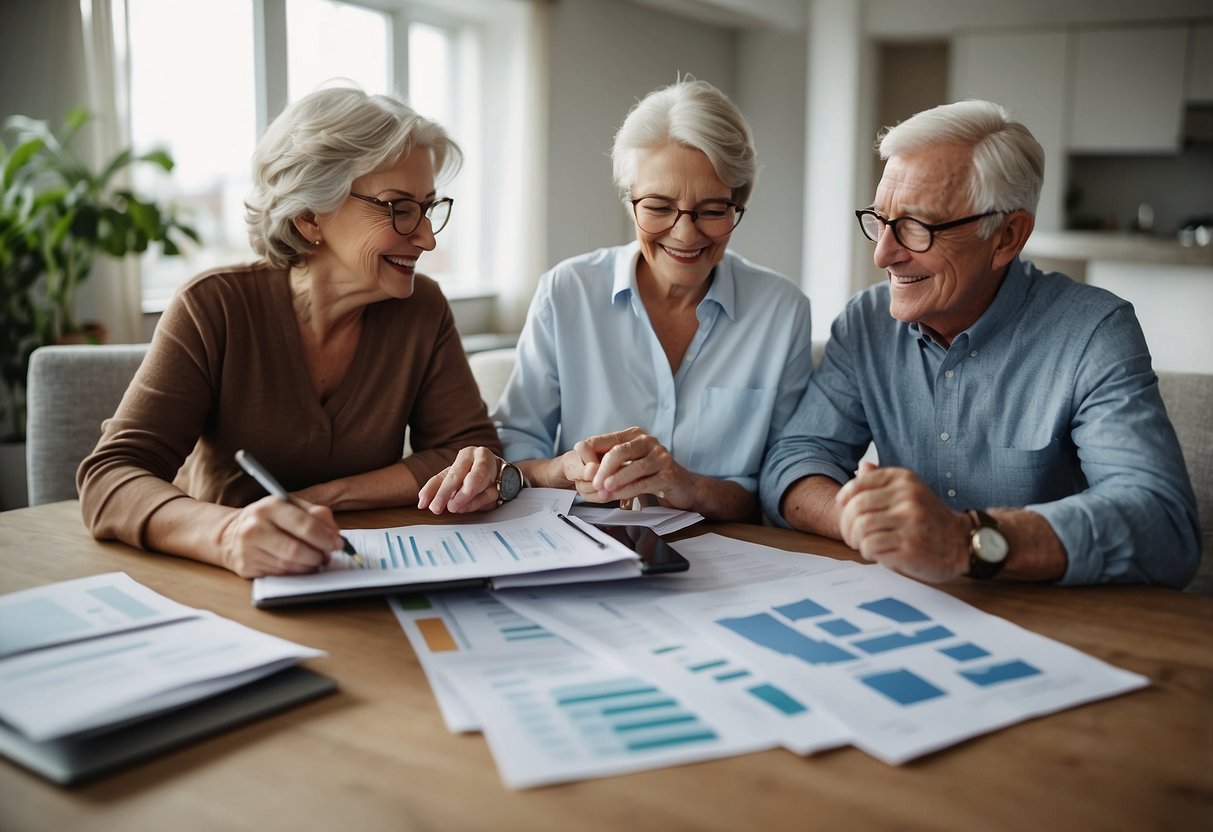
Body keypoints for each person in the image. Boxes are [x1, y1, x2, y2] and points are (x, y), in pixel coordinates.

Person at [760, 99, 1199, 588]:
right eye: (880, 220)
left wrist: (966, 539)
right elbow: (792, 461)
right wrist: (854, 519)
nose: (883, 252)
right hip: (907, 603)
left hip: (1050, 616)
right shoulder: (866, 323)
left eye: (918, 227)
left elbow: (1164, 526)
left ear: (1007, 237)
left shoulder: (1094, 331)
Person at [78, 86, 500, 578]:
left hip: (356, 571)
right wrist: (227, 534)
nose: (427, 237)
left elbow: (469, 455)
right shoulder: (214, 306)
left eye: (428, 208)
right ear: (308, 216)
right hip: (220, 581)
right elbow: (110, 477)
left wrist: (328, 495)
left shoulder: (421, 309)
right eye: (398, 208)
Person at [418, 78, 813, 521]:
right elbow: (515, 455)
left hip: (730, 555)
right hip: (582, 548)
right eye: (659, 207)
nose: (685, 234)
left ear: (737, 204)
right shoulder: (567, 291)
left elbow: (782, 487)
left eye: (712, 210)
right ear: (629, 203)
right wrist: (561, 469)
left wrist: (691, 487)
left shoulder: (782, 310)